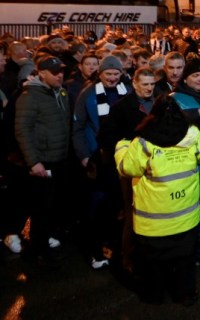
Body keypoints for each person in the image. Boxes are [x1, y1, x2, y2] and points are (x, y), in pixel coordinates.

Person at [115, 94, 200, 306]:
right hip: (186, 218)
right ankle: (186, 295)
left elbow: (126, 168)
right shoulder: (193, 136)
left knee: (152, 264)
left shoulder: (143, 143)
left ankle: (154, 296)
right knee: (185, 262)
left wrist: (121, 148)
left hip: (153, 223)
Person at [98, 66, 158, 275]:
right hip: (133, 169)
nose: (149, 88)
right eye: (145, 84)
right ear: (134, 84)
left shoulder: (160, 103)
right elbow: (106, 137)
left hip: (157, 167)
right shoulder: (122, 108)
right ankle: (129, 258)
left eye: (152, 84)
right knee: (133, 213)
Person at [72, 54, 130, 270]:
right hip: (98, 158)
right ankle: (94, 250)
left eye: (116, 74)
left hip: (122, 159)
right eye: (108, 74)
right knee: (96, 207)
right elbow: (77, 128)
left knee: (119, 206)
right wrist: (84, 155)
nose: (113, 78)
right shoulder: (87, 94)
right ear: (100, 73)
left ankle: (115, 245)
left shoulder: (128, 91)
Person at [14, 55, 71, 266]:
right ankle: (38, 252)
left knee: (52, 207)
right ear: (42, 73)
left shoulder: (60, 93)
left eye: (62, 71)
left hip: (59, 158)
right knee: (41, 209)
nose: (59, 75)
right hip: (43, 161)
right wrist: (33, 161)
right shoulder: (30, 96)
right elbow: (22, 130)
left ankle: (43, 245)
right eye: (55, 72)